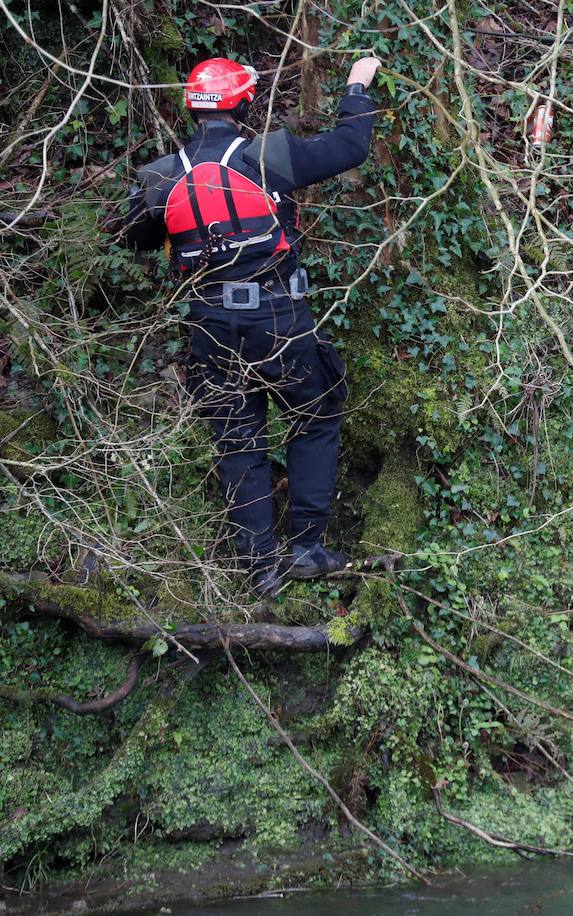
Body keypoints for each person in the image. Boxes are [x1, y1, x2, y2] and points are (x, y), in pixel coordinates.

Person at [123, 55, 382, 597]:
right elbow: (351, 146)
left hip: (211, 324)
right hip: (278, 316)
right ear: (243, 104)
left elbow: (134, 237)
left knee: (236, 437)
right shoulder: (268, 157)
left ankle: (261, 566)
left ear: (194, 107)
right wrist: (358, 85)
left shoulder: (159, 176)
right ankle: (307, 548)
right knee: (315, 416)